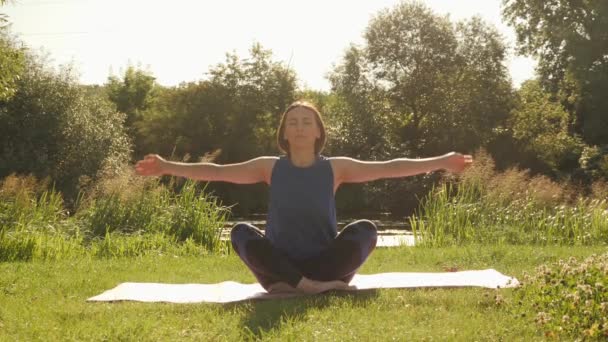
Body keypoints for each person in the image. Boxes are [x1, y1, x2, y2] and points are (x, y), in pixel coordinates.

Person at [135, 100, 472, 295]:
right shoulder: (269, 167)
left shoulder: (336, 168)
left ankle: (308, 285)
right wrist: (166, 167)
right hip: (279, 266)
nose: (298, 127)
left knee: (367, 229)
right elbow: (217, 172)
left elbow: (389, 167)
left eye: (305, 122)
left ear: (317, 131)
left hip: (324, 264)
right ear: (283, 133)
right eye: (292, 122)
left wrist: (441, 161)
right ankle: (307, 286)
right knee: (239, 232)